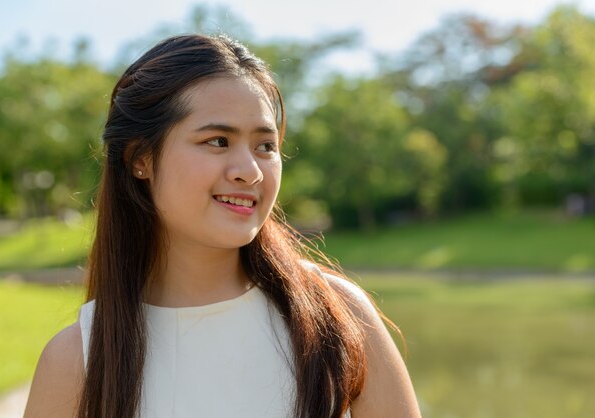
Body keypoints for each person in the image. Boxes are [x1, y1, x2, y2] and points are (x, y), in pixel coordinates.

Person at [24, 34, 421, 418]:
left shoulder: (338, 317)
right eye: (217, 141)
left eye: (265, 146)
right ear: (140, 158)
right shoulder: (78, 359)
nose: (250, 172)